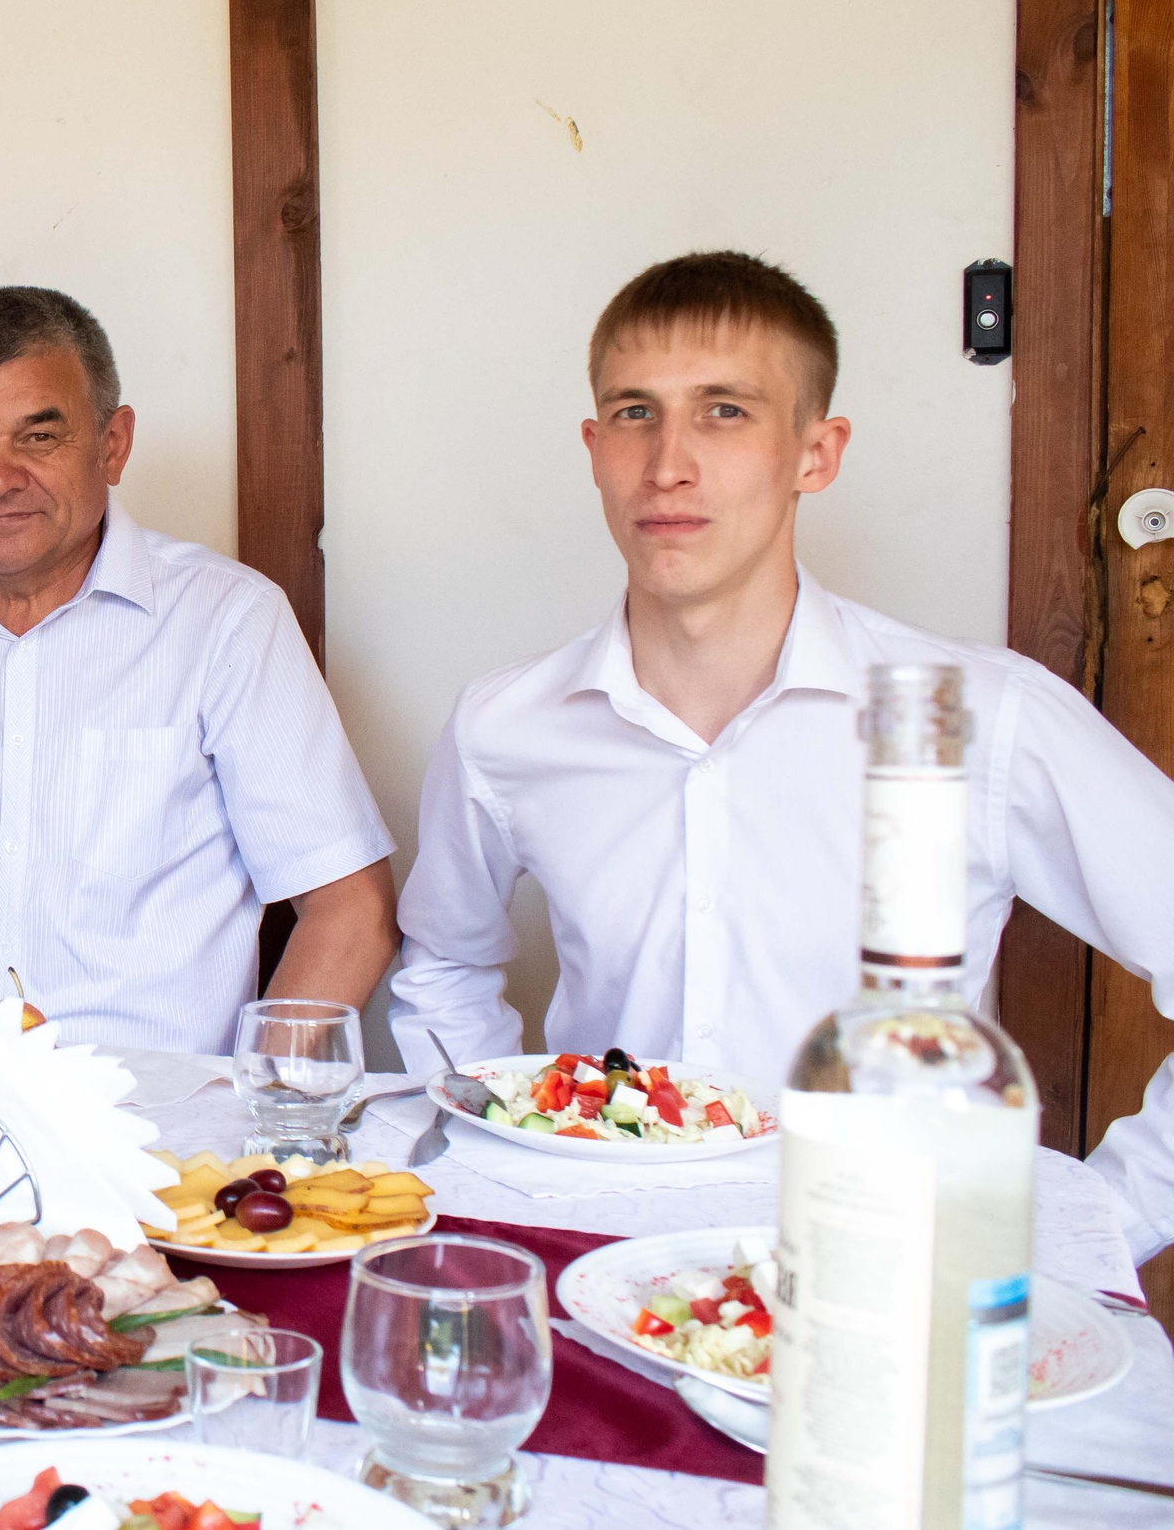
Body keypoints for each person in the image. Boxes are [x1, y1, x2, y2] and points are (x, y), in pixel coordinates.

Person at [387, 250, 1174, 1264]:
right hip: (594, 1276)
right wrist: (524, 1170)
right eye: (634, 413)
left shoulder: (982, 716)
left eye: (724, 411)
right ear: (592, 447)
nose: (667, 462)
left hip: (889, 1290)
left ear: (816, 452)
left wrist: (1091, 1232)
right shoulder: (506, 726)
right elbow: (443, 966)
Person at [0, 287, 398, 1051]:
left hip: (158, 1133)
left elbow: (351, 909)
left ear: (113, 442)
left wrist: (246, 1115)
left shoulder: (226, 621)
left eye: (38, 437)